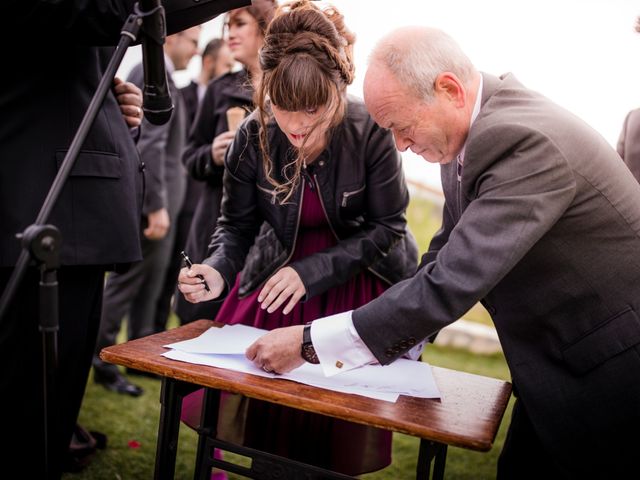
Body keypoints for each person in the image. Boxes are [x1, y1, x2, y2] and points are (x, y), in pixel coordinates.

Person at [242, 25, 640, 478]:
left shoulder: (521, 141)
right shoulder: (474, 134)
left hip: (615, 375)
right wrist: (394, 343)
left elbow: (454, 280)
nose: (399, 145)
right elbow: (442, 253)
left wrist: (311, 342)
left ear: (448, 89)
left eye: (401, 126)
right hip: (563, 368)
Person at [0, 1, 247, 477]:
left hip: (73, 211)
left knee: (54, 403)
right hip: (43, 209)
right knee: (34, 404)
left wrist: (110, 105)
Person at [178, 1, 419, 475]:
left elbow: (389, 226)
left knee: (328, 439)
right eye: (285, 109)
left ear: (337, 92)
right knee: (265, 423)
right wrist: (217, 269)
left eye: (313, 110)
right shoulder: (253, 134)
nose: (297, 126)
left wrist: (311, 272)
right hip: (276, 284)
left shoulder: (369, 129)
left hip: (355, 282)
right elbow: (236, 227)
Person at [92, 25, 202, 396]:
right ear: (171, 37)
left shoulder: (167, 74)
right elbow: (149, 145)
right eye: (194, 40)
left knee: (148, 284)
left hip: (165, 201)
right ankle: (99, 360)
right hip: (154, 203)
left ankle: (134, 355)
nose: (196, 50)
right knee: (126, 285)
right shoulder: (155, 74)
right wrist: (155, 206)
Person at [175, 0, 278, 324]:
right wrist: (212, 155)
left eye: (240, 24)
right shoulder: (220, 90)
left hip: (269, 226)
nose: (230, 34)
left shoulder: (287, 89)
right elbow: (189, 156)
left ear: (264, 27)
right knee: (201, 318)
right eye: (228, 27)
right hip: (216, 220)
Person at [152, 37, 235, 337]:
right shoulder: (190, 92)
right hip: (187, 200)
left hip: (209, 205)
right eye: (225, 64)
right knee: (166, 277)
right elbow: (175, 150)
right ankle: (154, 336)